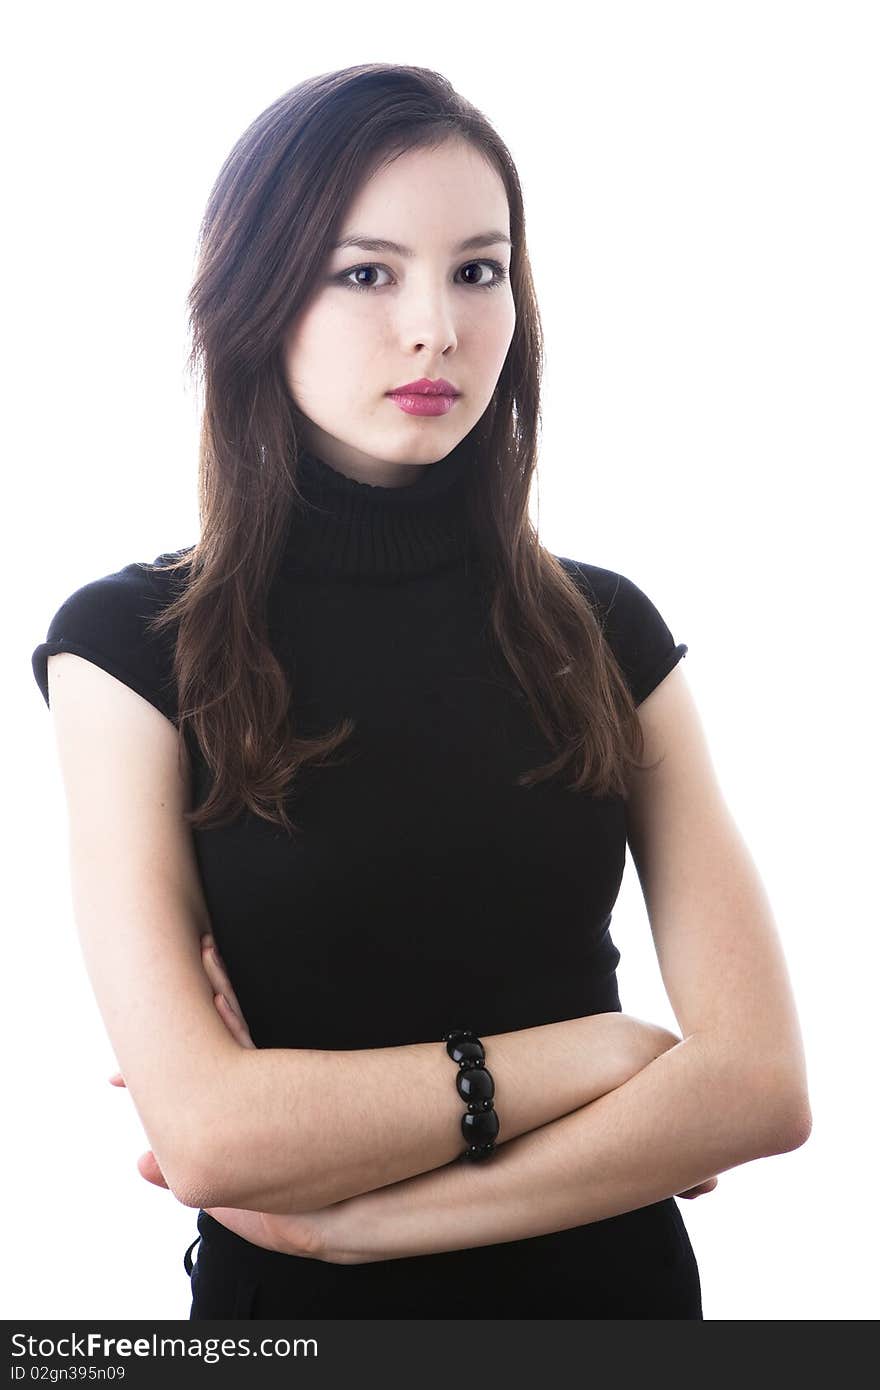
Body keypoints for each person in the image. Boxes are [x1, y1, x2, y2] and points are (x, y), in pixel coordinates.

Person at [31, 63, 811, 1321]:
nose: (436, 328)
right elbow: (217, 1139)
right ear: (256, 297)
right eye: (365, 272)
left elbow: (761, 1087)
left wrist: (362, 1230)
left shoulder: (609, 631)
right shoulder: (127, 646)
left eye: (478, 269)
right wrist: (605, 1057)